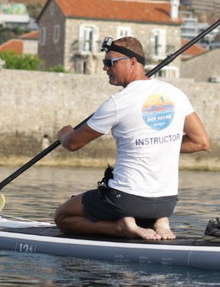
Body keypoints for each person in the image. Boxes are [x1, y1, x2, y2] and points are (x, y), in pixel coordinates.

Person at [54, 36, 210, 241]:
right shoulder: (175, 93)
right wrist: (160, 143)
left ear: (133, 62)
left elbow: (74, 143)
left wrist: (64, 134)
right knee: (134, 204)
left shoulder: (118, 103)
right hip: (166, 203)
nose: (105, 68)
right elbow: (201, 142)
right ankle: (158, 222)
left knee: (63, 216)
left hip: (126, 200)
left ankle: (120, 227)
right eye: (104, 63)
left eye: (110, 62)